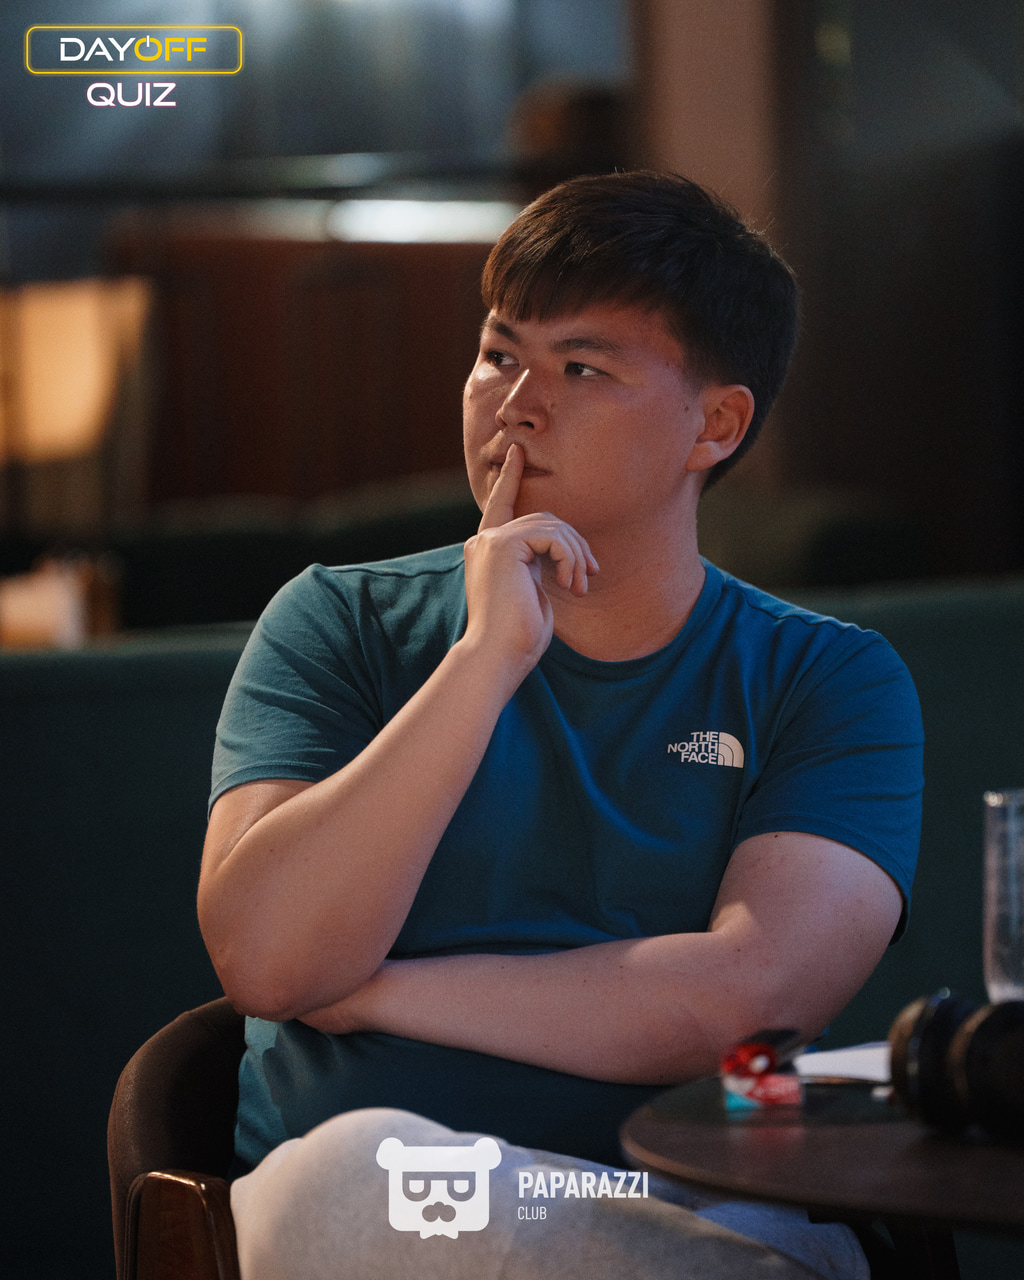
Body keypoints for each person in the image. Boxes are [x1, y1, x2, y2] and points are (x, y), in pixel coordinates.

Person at [197, 172, 923, 1280]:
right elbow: (267, 957)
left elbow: (745, 1003)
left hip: (693, 1198)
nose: (516, 404)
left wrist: (376, 990)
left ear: (715, 424)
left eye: (582, 368)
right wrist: (484, 661)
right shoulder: (338, 622)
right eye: (498, 354)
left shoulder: (826, 678)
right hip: (390, 1204)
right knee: (337, 1180)